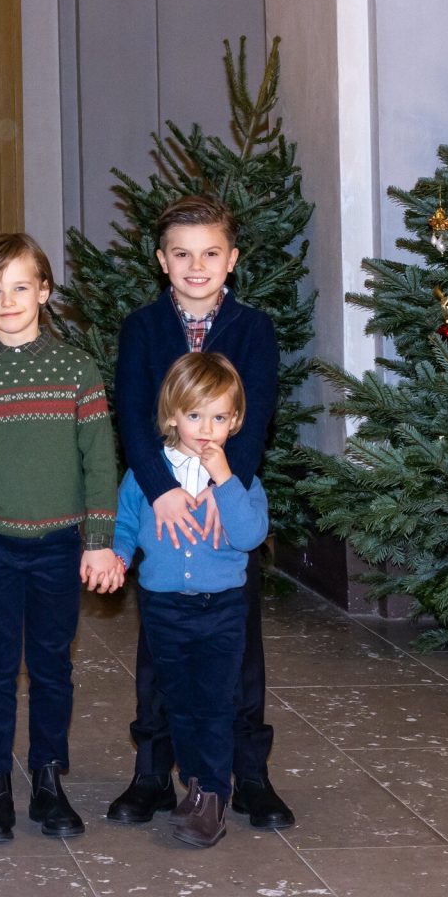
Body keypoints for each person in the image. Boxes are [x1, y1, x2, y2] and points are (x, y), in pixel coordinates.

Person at [106, 193, 292, 832]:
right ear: (162, 261)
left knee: (238, 652)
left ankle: (252, 777)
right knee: (161, 652)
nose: (196, 265)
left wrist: (222, 491)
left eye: (210, 253)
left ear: (231, 260)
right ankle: (153, 774)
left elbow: (256, 415)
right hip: (163, 505)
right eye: (182, 253)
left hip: (225, 506)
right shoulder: (143, 327)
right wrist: (159, 490)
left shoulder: (253, 330)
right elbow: (132, 414)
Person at [0, 233, 127, 846]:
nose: (9, 299)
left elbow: (100, 462)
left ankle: (48, 777)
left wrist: (99, 539)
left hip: (59, 544)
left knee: (52, 665)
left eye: (21, 286)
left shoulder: (77, 371)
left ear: (44, 292)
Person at [108, 352, 271, 849]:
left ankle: (214, 796)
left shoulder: (240, 480)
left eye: (219, 417)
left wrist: (224, 481)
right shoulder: (148, 475)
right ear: (171, 417)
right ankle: (197, 784)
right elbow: (126, 523)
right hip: (163, 606)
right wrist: (116, 557)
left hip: (222, 608)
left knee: (217, 703)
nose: (206, 429)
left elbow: (249, 535)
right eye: (195, 416)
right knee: (178, 701)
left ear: (236, 421)